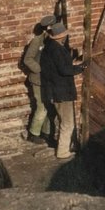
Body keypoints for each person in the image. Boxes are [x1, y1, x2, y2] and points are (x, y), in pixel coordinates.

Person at [39, 22, 86, 159]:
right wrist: (80, 68)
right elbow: (64, 70)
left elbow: (58, 66)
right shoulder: (57, 49)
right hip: (62, 92)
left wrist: (74, 63)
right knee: (67, 122)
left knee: (64, 120)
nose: (65, 38)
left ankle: (65, 146)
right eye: (64, 36)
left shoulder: (49, 48)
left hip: (55, 90)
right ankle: (62, 152)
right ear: (60, 37)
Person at [22, 15, 56, 145]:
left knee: (50, 107)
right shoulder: (37, 41)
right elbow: (28, 59)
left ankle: (46, 133)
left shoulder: (55, 40)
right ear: (47, 28)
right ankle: (33, 134)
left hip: (50, 80)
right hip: (38, 80)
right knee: (42, 107)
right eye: (51, 28)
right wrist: (40, 69)